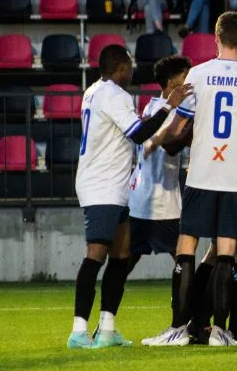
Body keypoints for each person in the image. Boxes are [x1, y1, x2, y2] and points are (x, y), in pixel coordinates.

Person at [142, 12, 237, 347]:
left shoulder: (198, 74)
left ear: (216, 36)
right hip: (235, 175)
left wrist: (154, 141)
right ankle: (221, 332)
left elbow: (180, 127)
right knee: (226, 251)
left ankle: (178, 329)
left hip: (201, 172)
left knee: (187, 246)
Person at [68, 44, 192, 350]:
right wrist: (169, 106)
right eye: (129, 66)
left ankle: (107, 329)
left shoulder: (93, 91)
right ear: (120, 67)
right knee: (96, 255)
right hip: (103, 185)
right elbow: (138, 134)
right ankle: (79, 331)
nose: (133, 70)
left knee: (122, 256)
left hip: (115, 186)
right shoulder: (113, 94)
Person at [126, 56, 192, 276]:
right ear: (173, 82)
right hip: (161, 201)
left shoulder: (151, 107)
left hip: (140, 199)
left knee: (126, 261)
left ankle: (107, 306)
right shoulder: (169, 112)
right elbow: (171, 147)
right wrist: (194, 130)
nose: (190, 79)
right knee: (184, 260)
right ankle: (185, 307)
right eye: (185, 75)